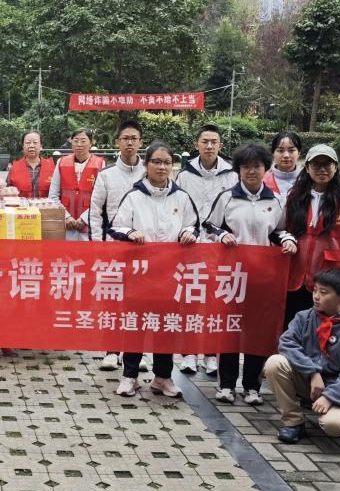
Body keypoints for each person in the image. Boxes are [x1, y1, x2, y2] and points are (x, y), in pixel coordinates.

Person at [203, 144, 298, 405]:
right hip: (232, 277)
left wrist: (288, 240)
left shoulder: (275, 200)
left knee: (258, 331)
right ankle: (226, 384)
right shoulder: (227, 197)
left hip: (263, 278)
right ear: (238, 170)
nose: (251, 171)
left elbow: (279, 230)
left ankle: (252, 386)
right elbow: (209, 225)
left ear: (266, 168)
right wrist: (222, 235)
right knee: (230, 329)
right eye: (246, 167)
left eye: (256, 166)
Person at [108, 142, 198, 399]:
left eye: (167, 162)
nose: (161, 167)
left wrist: (187, 233)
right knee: (135, 325)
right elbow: (116, 226)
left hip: (171, 274)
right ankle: (130, 376)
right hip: (140, 274)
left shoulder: (181, 197)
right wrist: (130, 232)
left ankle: (162, 377)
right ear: (146, 165)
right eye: (156, 162)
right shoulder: (134, 196)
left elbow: (193, 224)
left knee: (166, 327)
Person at [263, 268, 340, 444]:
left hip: (337, 387)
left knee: (334, 427)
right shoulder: (304, 317)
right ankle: (293, 421)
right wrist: (313, 372)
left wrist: (330, 396)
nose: (316, 296)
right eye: (315, 290)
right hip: (308, 380)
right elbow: (287, 343)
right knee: (275, 363)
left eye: (323, 292)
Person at [173, 124, 238, 375]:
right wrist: (183, 232)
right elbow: (177, 207)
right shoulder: (184, 175)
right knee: (189, 300)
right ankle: (188, 353)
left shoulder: (231, 174)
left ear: (220, 145)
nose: (209, 146)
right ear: (196, 144)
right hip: (190, 245)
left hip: (220, 247)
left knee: (215, 301)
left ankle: (211, 354)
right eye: (204, 141)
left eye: (214, 142)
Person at [283, 144, 340, 324]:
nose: (322, 169)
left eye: (327, 164)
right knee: (294, 325)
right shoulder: (294, 198)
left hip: (331, 280)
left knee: (327, 329)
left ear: (335, 167)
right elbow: (282, 229)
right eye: (316, 164)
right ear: (307, 168)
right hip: (295, 278)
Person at [89, 120, 146, 371]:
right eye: (125, 138)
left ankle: (137, 353)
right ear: (117, 143)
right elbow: (95, 212)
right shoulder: (106, 175)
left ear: (140, 142)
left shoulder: (150, 172)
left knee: (139, 302)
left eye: (134, 138)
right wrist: (98, 245)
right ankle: (111, 350)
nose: (129, 143)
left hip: (143, 249)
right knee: (112, 301)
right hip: (113, 247)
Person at [49, 129, 106, 242]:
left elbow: (101, 198)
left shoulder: (100, 164)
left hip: (90, 225)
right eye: (76, 141)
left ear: (91, 143)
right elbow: (53, 195)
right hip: (66, 224)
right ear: (71, 143)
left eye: (83, 141)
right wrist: (66, 216)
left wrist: (85, 218)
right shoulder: (61, 162)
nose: (79, 144)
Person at [8, 131, 53, 199]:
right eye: (28, 142)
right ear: (23, 146)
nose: (31, 146)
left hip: (45, 205)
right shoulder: (14, 167)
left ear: (41, 146)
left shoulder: (52, 167)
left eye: (35, 142)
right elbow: (7, 191)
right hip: (22, 205)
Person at [263, 131, 303, 200]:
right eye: (280, 151)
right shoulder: (262, 181)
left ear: (299, 153)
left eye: (291, 150)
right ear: (273, 153)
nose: (286, 155)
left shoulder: (307, 180)